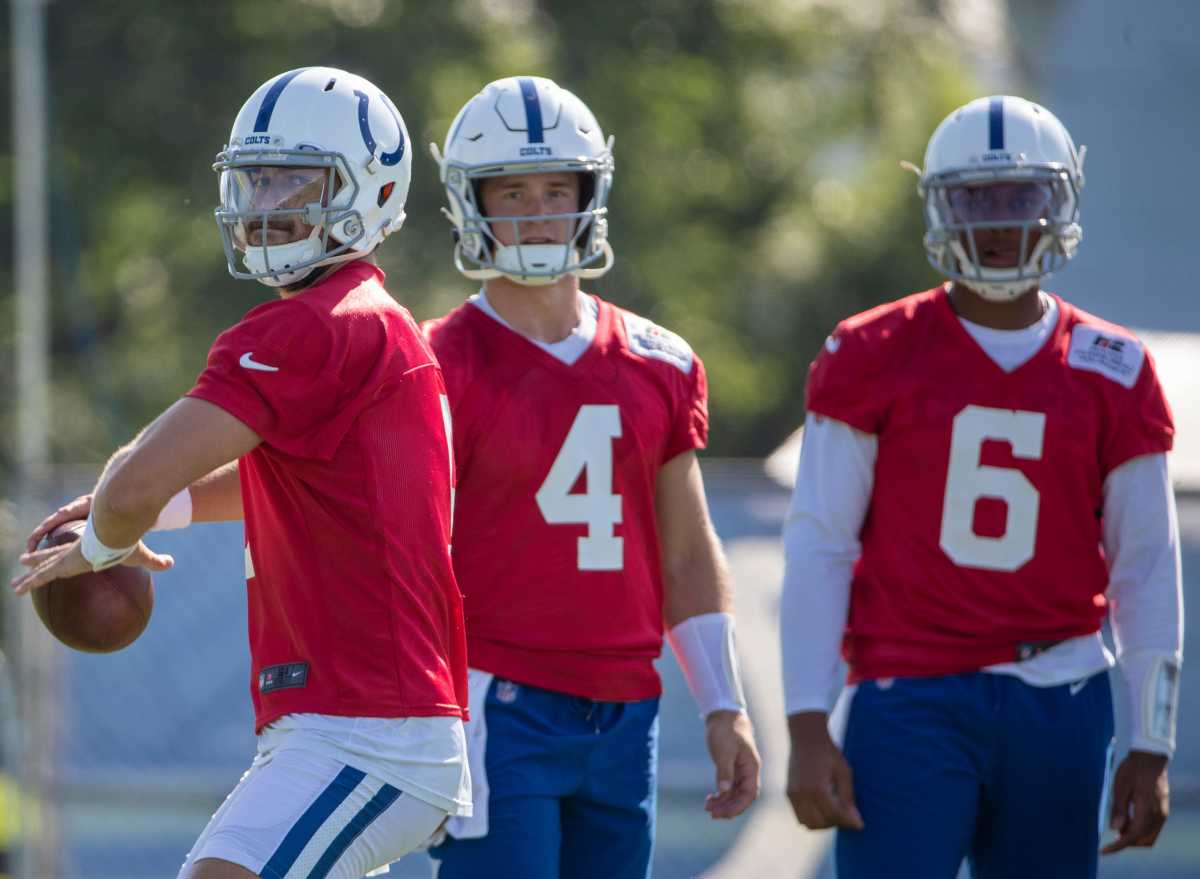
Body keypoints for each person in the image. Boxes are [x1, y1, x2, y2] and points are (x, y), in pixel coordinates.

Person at [13, 67, 471, 879]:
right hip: (354, 721)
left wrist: (104, 540)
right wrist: (146, 516)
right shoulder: (371, 324)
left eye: (295, 177)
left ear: (372, 187)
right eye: (256, 178)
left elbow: (131, 484)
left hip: (367, 726)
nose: (265, 202)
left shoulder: (312, 328)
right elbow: (279, 480)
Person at [781, 94, 1182, 879]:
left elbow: (1147, 563)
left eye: (1020, 196)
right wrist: (804, 720)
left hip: (1061, 692)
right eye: (976, 199)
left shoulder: (1115, 367)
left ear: (1058, 200)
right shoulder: (870, 350)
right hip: (909, 694)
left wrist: (1151, 739)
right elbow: (821, 541)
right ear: (940, 206)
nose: (999, 221)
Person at [420, 76, 761, 879]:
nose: (539, 212)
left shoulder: (660, 359)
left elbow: (686, 550)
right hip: (499, 702)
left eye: (556, 189)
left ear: (590, 194)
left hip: (626, 707)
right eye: (513, 191)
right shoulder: (434, 362)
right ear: (474, 203)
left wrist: (723, 702)